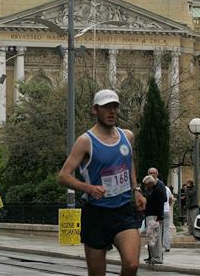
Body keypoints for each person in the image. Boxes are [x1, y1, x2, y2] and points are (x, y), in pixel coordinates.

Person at [57, 89, 146, 276]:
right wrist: (88, 188)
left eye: (115, 107)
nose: (111, 111)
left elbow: (128, 163)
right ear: (95, 110)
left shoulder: (127, 136)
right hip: (96, 214)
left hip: (123, 211)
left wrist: (136, 189)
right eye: (106, 107)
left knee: (131, 265)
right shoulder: (85, 141)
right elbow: (63, 176)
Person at [142, 175, 166, 265]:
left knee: (156, 237)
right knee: (151, 237)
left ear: (150, 183)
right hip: (150, 216)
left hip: (154, 217)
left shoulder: (157, 191)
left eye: (146, 184)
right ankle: (153, 256)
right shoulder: (151, 190)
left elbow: (160, 205)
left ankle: (158, 257)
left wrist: (159, 217)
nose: (145, 186)